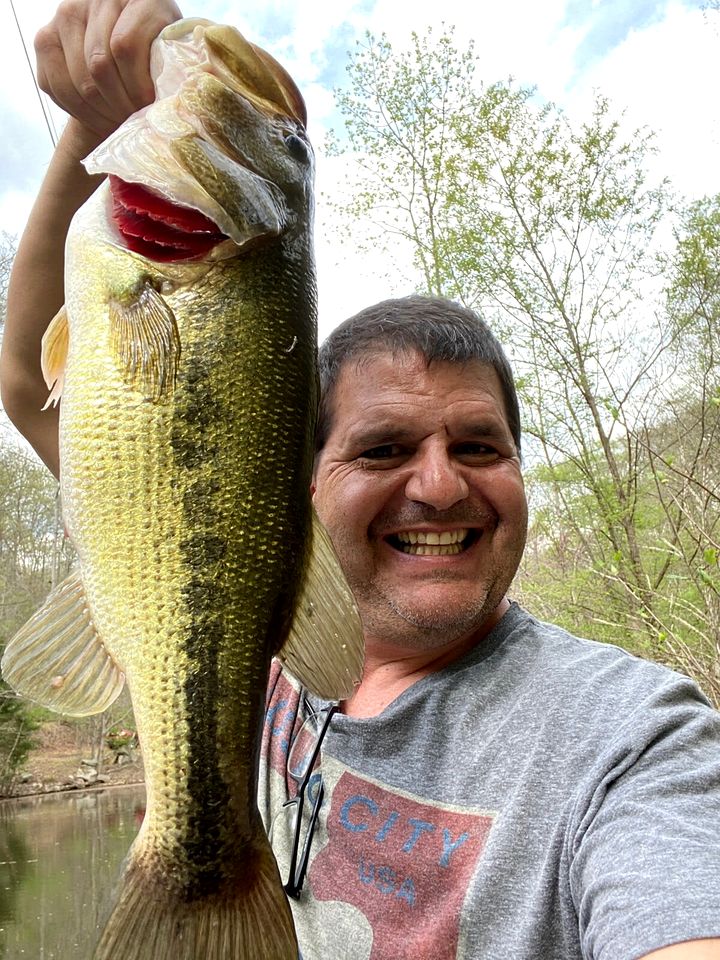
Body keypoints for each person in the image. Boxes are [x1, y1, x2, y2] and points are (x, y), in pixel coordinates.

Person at [1, 3, 719, 958]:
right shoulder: (265, 664)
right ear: (294, 485)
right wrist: (95, 122)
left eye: (479, 446)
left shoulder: (633, 739)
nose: (439, 486)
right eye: (383, 450)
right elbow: (26, 381)